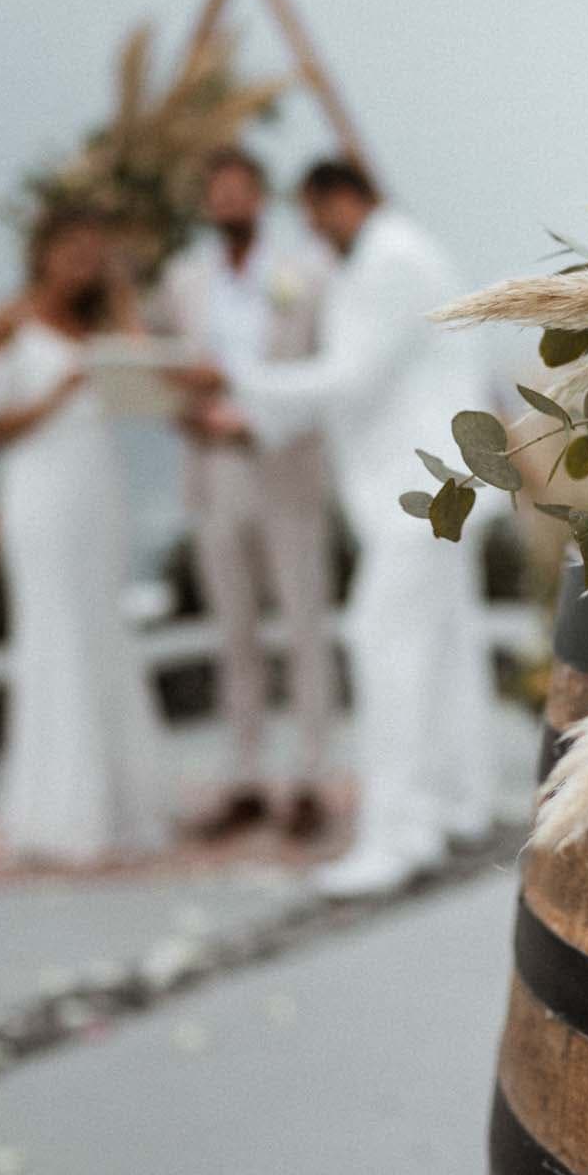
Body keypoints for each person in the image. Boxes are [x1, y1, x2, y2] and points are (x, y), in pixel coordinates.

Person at [183, 159, 495, 898]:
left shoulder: (389, 259)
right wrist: (255, 412)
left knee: (383, 645)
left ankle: (396, 836)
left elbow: (351, 375)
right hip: (441, 486)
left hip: (419, 495)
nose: (313, 230)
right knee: (442, 654)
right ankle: (454, 804)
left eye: (316, 213)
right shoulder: (406, 253)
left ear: (343, 198)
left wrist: (243, 383)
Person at [0, 203, 172, 863]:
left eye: (95, 254)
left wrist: (118, 290)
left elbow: (147, 383)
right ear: (43, 252)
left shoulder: (100, 325)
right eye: (75, 251)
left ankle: (117, 807)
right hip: (40, 491)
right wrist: (59, 390)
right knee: (55, 634)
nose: (83, 264)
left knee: (101, 629)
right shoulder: (8, 324)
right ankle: (59, 814)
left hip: (97, 490)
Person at [154, 148, 339, 842]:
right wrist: (185, 402)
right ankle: (245, 778)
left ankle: (311, 778)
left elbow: (325, 367)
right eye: (217, 193)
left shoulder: (306, 274)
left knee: (303, 626)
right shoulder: (183, 279)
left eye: (240, 190)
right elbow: (163, 370)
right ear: (205, 204)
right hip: (213, 470)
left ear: (262, 196)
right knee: (232, 633)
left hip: (285, 465)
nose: (228, 202)